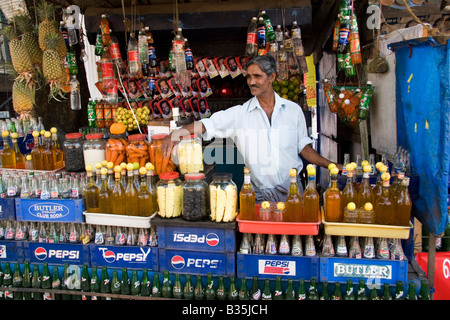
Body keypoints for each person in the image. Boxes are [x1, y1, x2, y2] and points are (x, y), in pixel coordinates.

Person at [162, 55, 341, 202]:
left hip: (293, 194)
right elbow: (207, 124)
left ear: (271, 77)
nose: (251, 81)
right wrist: (176, 134)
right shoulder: (240, 114)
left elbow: (304, 149)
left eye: (257, 76)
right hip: (259, 197)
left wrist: (331, 165)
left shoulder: (293, 111)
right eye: (248, 76)